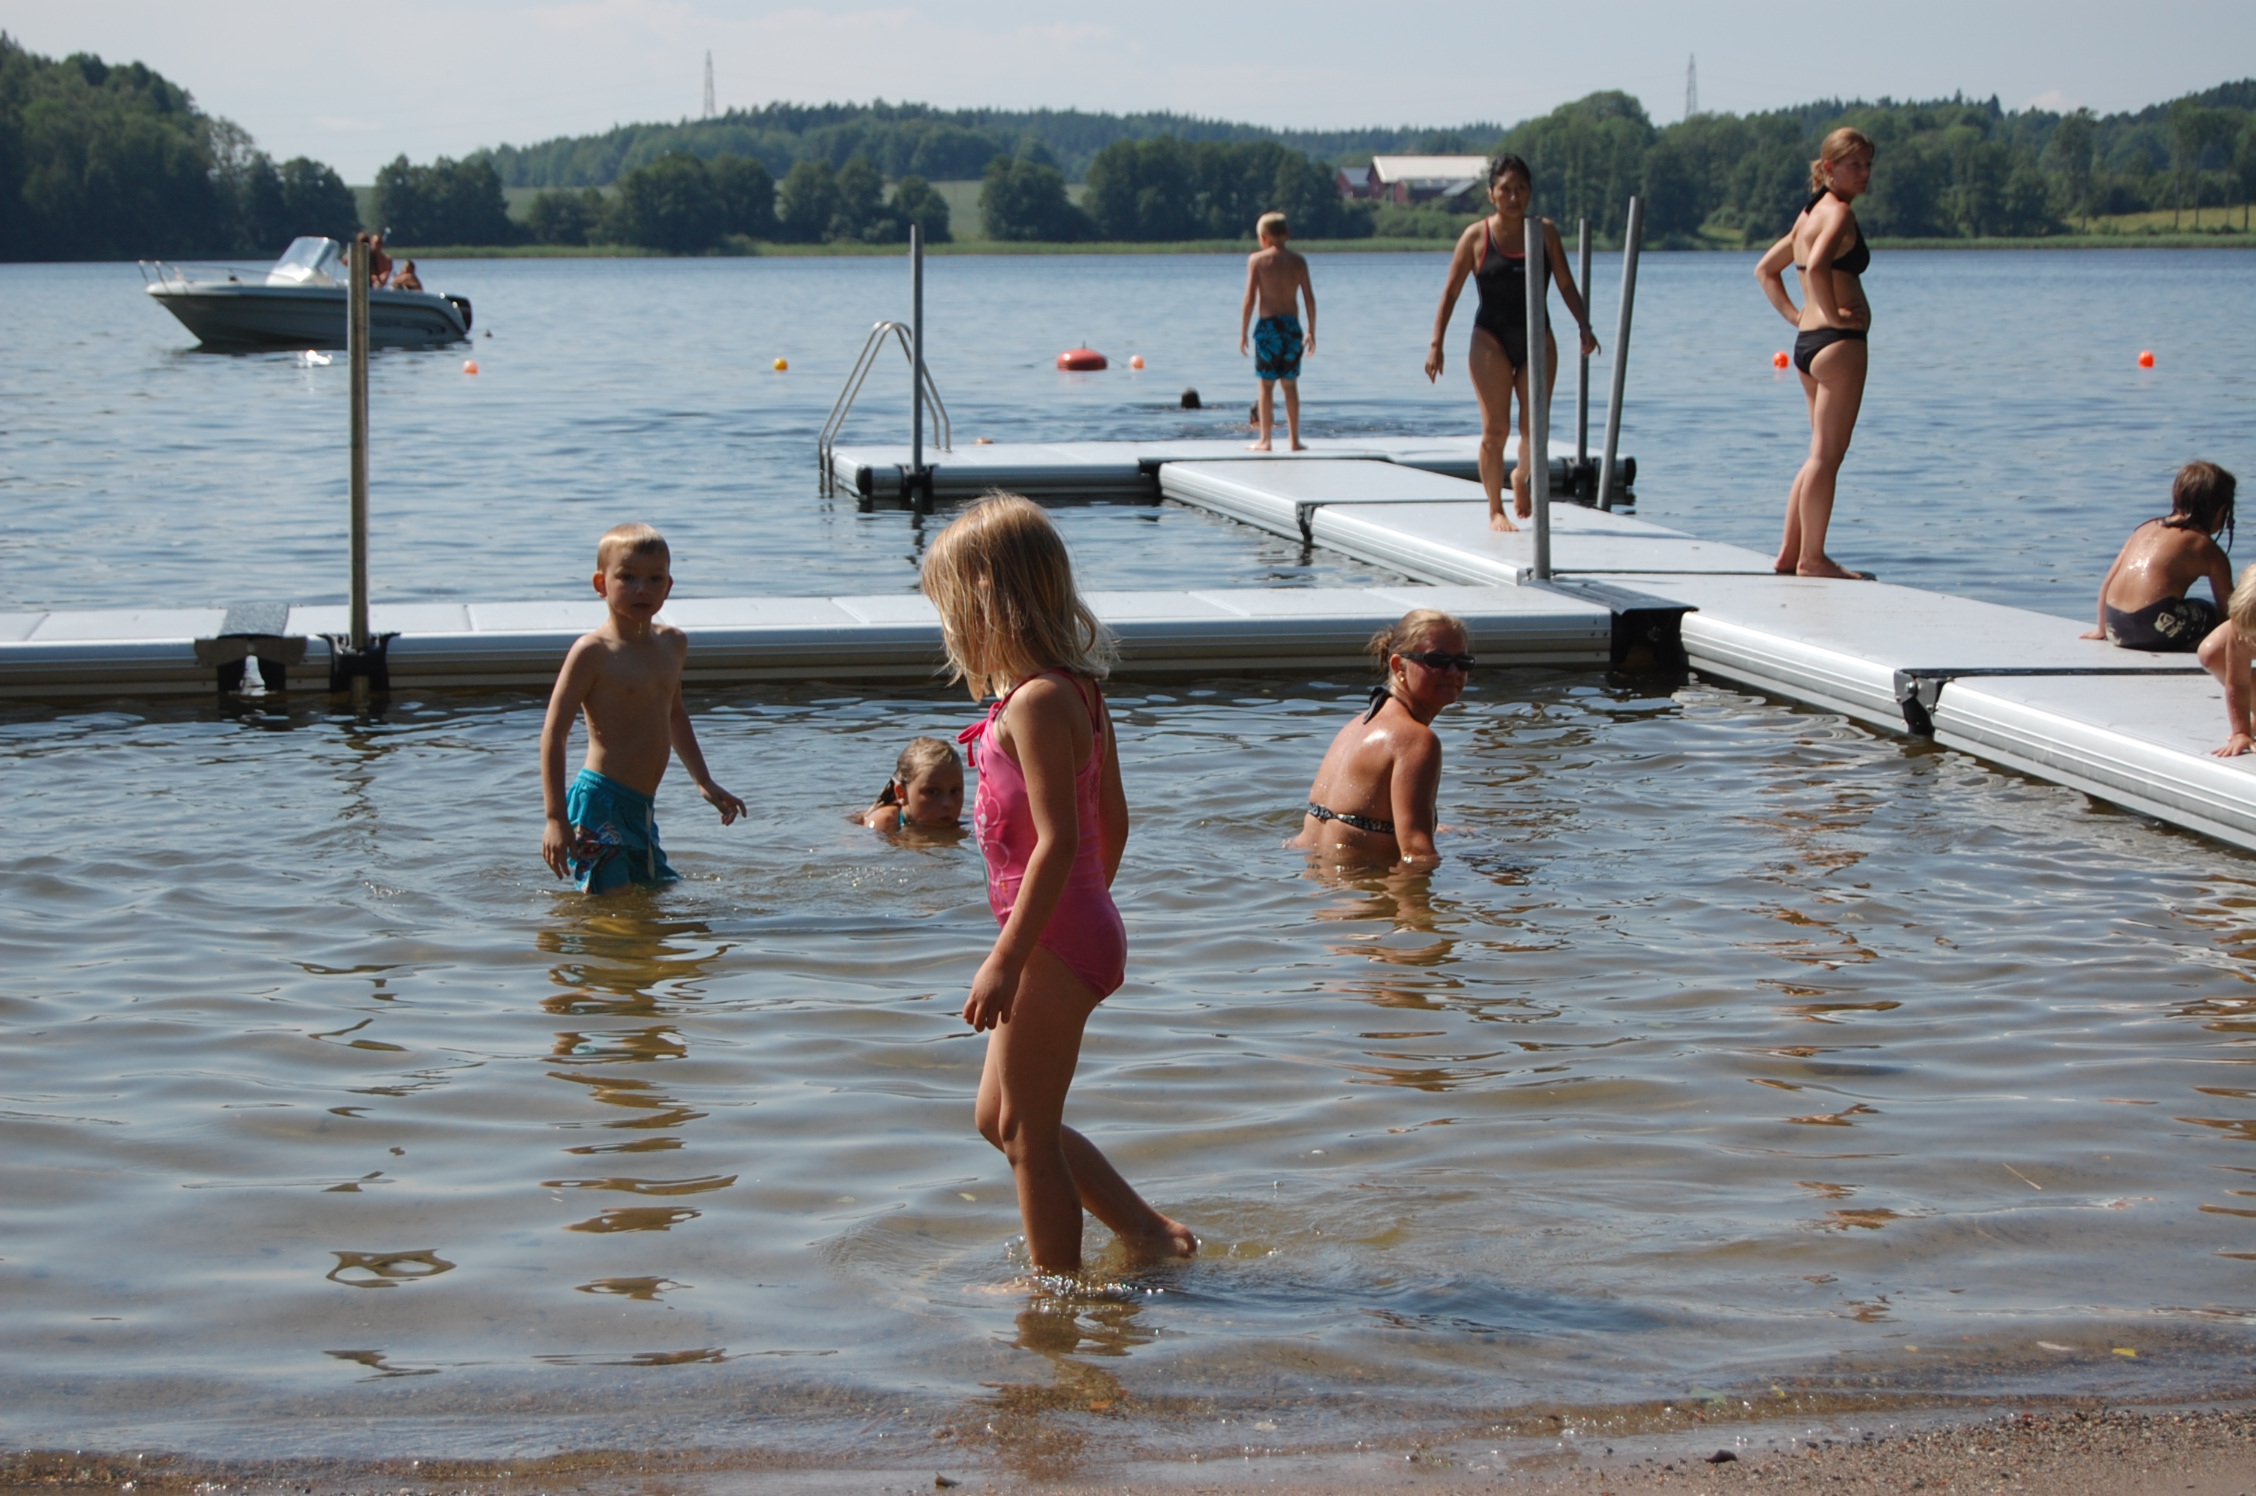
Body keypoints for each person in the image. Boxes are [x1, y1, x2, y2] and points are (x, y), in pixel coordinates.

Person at [922, 494, 1196, 1276]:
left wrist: (1016, 954)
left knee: (1028, 1134)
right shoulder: (1072, 691)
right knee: (997, 1119)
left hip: (1052, 936)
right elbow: (1116, 821)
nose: (948, 626)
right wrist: (1084, 910)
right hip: (1068, 926)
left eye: (950, 605)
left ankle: (1056, 1302)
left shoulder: (1042, 701)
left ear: (987, 598)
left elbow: (1061, 841)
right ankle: (1150, 1233)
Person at [540, 523, 745, 891]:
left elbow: (675, 713)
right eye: (628, 577)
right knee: (610, 906)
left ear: (668, 586)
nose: (642, 589)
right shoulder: (593, 652)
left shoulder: (672, 645)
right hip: (601, 800)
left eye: (654, 579)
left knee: (653, 896)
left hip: (642, 806)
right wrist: (556, 818)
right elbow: (554, 734)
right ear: (601, 584)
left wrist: (703, 779)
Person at [1424, 155, 1599, 532]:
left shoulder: (1545, 232)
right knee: (1496, 429)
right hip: (1490, 339)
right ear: (1491, 194)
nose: (1514, 196)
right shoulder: (1476, 237)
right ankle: (1494, 509)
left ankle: (1521, 475)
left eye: (1521, 189)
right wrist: (1437, 343)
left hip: (1539, 337)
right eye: (1506, 189)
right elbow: (1451, 292)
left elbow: (1566, 284)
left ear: (1531, 193)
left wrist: (1584, 325)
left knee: (1535, 427)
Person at [1755, 127, 1877, 579]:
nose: (1864, 174)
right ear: (1828, 168)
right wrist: (1834, 316)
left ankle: (1791, 553)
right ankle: (1813, 558)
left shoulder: (1807, 215)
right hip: (1837, 346)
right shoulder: (1839, 213)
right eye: (1854, 165)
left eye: (1868, 165)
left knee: (1816, 454)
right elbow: (1821, 263)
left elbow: (1766, 270)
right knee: (1828, 457)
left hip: (1807, 346)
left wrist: (1799, 316)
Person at [1290, 609, 1471, 872]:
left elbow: (1359, 819)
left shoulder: (1358, 726)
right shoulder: (1416, 739)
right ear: (1398, 666)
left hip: (1316, 891)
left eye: (1463, 662)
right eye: (1438, 660)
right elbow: (1417, 853)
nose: (1454, 671)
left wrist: (1439, 829)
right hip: (1365, 898)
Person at [2082, 461, 2237, 650]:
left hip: (2115, 625)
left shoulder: (2144, 530)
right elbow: (2229, 610)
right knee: (2209, 611)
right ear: (2221, 511)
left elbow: (2107, 583)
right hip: (2152, 625)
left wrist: (2101, 629)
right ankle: (2198, 644)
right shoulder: (2206, 548)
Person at [1238, 211, 1317, 452]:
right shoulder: (1298, 261)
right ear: (1287, 235)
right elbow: (1309, 299)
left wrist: (1243, 332)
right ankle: (1294, 440)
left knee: (1266, 385)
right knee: (1290, 385)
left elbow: (1250, 298)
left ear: (1263, 238)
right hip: (1292, 327)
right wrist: (1312, 331)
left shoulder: (1257, 261)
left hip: (1268, 328)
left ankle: (1266, 439)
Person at [2200, 563, 2256, 756]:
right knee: (2212, 653)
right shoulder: (2242, 632)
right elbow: (2239, 683)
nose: (2252, 641)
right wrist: (2241, 732)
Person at [858, 736, 966, 833]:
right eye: (932, 792)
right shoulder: (884, 823)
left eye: (955, 791)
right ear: (902, 794)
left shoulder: (964, 819)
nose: (948, 804)